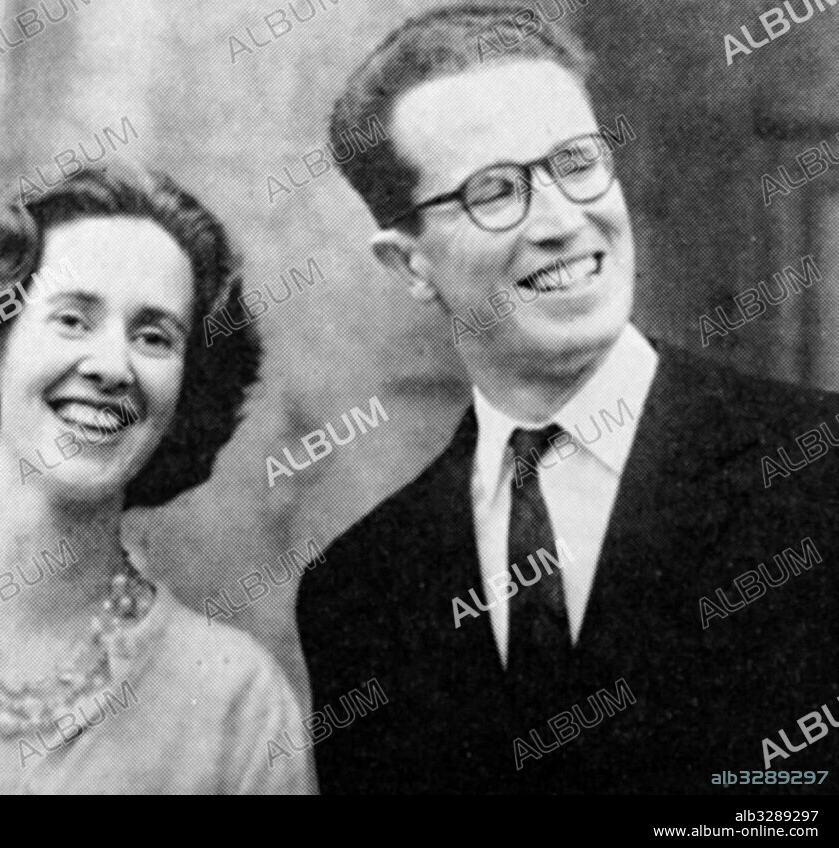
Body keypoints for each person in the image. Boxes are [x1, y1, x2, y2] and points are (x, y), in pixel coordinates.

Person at [296, 4, 839, 794]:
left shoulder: (817, 477)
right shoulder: (361, 591)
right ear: (409, 265)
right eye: (494, 191)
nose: (561, 220)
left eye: (577, 162)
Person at [0, 162, 310, 794]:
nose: (111, 366)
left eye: (154, 336)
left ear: (184, 394)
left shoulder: (238, 708)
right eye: (73, 319)